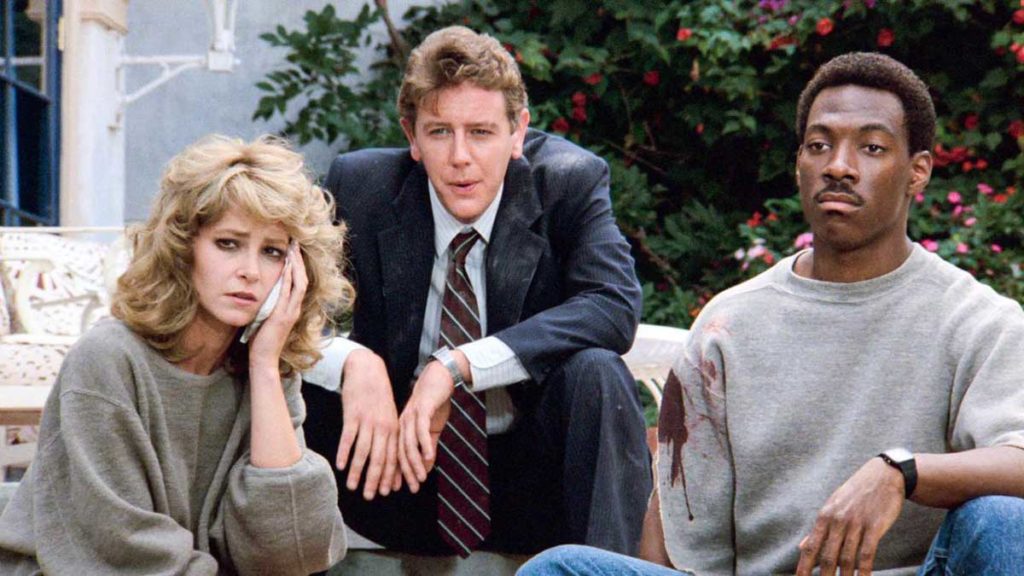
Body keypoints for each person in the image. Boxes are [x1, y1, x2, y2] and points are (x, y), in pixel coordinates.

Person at [517, 52, 1024, 576]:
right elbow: (673, 542)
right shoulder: (730, 326)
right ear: (799, 162)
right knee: (558, 569)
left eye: (871, 147)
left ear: (918, 171)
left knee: (1005, 519)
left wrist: (900, 472)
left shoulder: (977, 321)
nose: (839, 166)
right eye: (819, 145)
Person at [300, 25, 651, 557]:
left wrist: (458, 365)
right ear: (412, 136)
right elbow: (278, 308)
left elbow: (613, 305)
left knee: (597, 373)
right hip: (396, 467)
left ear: (518, 132)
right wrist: (354, 362)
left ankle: (603, 570)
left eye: (482, 132)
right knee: (298, 373)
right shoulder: (362, 186)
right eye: (440, 132)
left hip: (533, 481)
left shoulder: (568, 181)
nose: (460, 156)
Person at [0, 135, 350, 575]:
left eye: (272, 252)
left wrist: (264, 367)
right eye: (228, 243)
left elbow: (292, 549)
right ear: (183, 247)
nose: (250, 270)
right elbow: (122, 548)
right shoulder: (108, 360)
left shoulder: (265, 370)